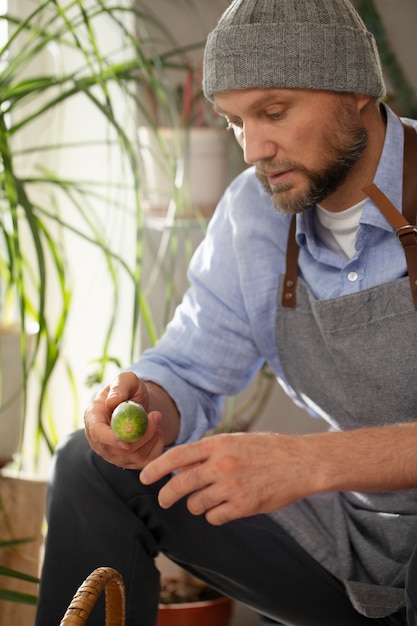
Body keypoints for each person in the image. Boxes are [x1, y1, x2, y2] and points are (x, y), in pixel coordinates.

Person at [34, 0, 417, 625]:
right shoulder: (255, 213)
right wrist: (147, 406)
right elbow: (191, 363)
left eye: (273, 111)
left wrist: (309, 461)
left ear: (357, 92)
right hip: (346, 540)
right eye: (235, 121)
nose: (252, 149)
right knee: (90, 465)